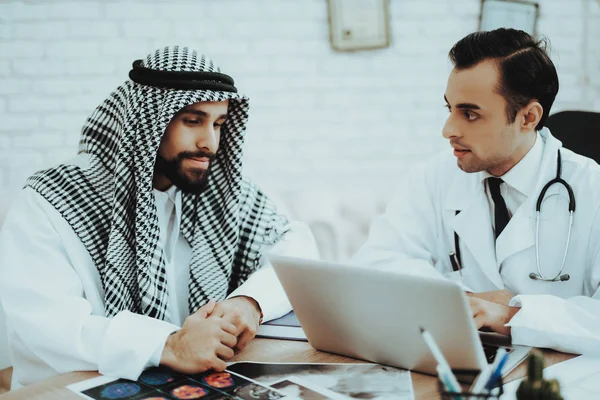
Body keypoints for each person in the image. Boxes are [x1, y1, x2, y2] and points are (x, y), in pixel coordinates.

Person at [0, 46, 318, 388]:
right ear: (146, 121)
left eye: (219, 124)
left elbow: (296, 248)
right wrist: (170, 346)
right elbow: (48, 325)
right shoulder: (51, 199)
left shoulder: (220, 191)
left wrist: (249, 302)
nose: (209, 142)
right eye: (192, 120)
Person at [352, 28, 600, 355]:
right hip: (458, 364)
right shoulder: (435, 177)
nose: (448, 130)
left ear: (528, 117)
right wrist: (461, 300)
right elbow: (376, 264)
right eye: (449, 109)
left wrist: (513, 314)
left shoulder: (591, 188)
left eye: (470, 114)